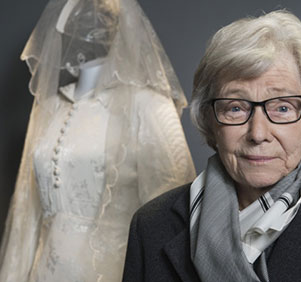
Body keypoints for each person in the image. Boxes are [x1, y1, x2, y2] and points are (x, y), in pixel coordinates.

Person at [123, 10, 301, 282]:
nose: (257, 133)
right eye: (235, 108)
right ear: (209, 120)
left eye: (281, 107)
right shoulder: (151, 227)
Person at [0, 0, 195, 281]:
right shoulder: (49, 108)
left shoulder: (148, 104)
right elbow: (26, 208)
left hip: (111, 270)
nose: (87, 25)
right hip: (43, 271)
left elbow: (172, 206)